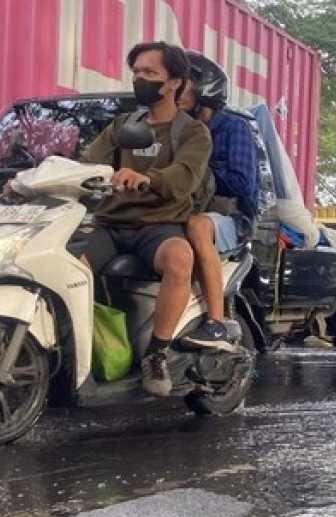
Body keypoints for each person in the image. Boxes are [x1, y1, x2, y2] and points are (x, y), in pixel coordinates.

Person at [76, 41, 212, 396]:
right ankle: (72, 344)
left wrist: (149, 177)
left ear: (174, 83)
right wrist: (30, 183)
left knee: (181, 257)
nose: (140, 79)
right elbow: (87, 164)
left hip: (157, 226)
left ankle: (157, 353)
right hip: (109, 223)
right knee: (69, 267)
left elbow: (186, 176)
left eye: (150, 73)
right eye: (136, 73)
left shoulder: (192, 132)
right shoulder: (123, 124)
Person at [176, 51, 260, 350]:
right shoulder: (177, 130)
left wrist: (196, 170)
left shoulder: (233, 128)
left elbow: (241, 183)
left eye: (181, 85)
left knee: (198, 226)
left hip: (232, 217)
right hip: (184, 211)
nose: (172, 91)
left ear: (203, 89)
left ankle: (217, 322)